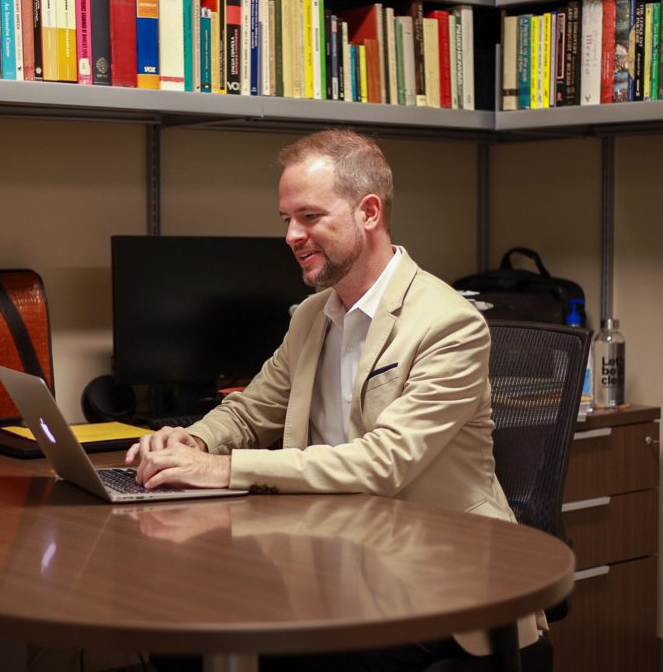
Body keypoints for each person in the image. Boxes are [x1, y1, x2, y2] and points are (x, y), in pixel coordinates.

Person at [125, 129, 545, 668]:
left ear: (368, 212)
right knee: (178, 636)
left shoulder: (449, 325)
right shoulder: (311, 316)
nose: (291, 235)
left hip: (436, 578)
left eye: (309, 217)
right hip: (327, 559)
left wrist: (221, 469)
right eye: (286, 220)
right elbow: (254, 410)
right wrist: (192, 439)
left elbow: (385, 461)